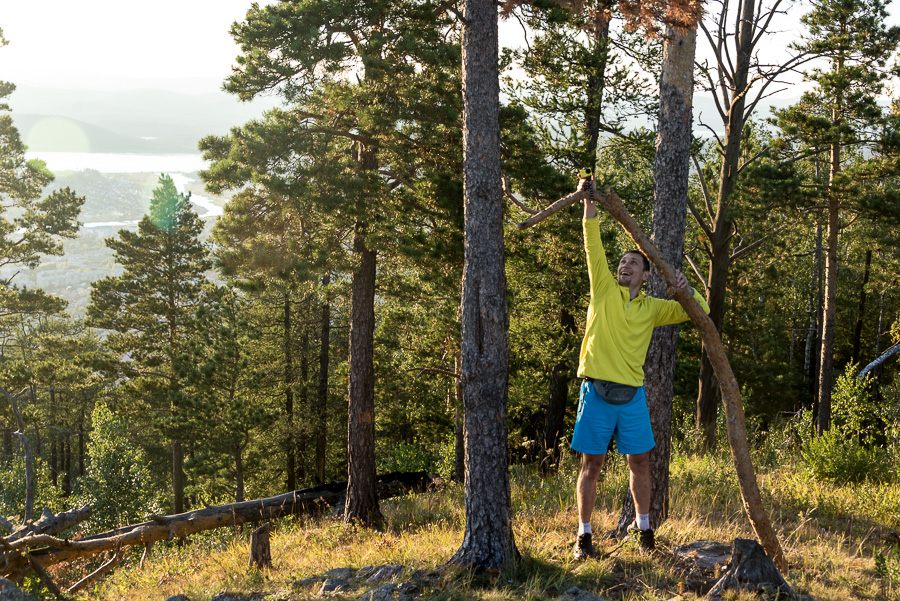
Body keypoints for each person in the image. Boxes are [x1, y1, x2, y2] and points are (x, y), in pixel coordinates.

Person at [571, 176, 710, 560]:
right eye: (623, 261)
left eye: (633, 262)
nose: (625, 265)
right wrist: (589, 198)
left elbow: (700, 311)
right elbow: (591, 239)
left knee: (640, 463)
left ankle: (644, 531)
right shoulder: (603, 288)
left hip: (632, 397)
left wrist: (684, 287)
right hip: (596, 391)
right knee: (592, 465)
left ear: (646, 275)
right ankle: (584, 537)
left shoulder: (652, 308)